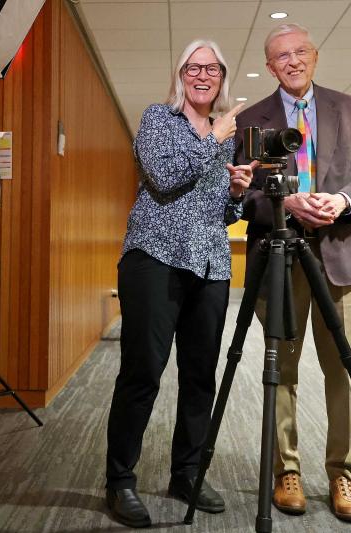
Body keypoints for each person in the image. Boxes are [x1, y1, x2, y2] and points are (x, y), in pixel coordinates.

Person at [234, 23, 351, 522]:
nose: (293, 61)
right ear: (269, 65)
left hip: (341, 259)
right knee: (284, 373)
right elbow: (245, 197)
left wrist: (341, 201)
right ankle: (287, 471)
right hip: (278, 260)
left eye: (300, 51)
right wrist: (286, 204)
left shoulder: (350, 107)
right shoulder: (252, 119)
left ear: (314, 56)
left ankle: (343, 473)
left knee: (343, 372)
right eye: (282, 55)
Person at [105, 39, 255, 528]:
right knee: (143, 372)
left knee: (199, 377)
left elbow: (222, 211)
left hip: (210, 264)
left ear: (222, 76)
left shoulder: (227, 136)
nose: (203, 74)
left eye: (212, 68)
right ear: (181, 74)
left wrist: (235, 193)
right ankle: (120, 481)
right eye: (194, 66)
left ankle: (186, 473)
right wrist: (213, 140)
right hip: (155, 259)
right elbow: (165, 177)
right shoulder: (157, 120)